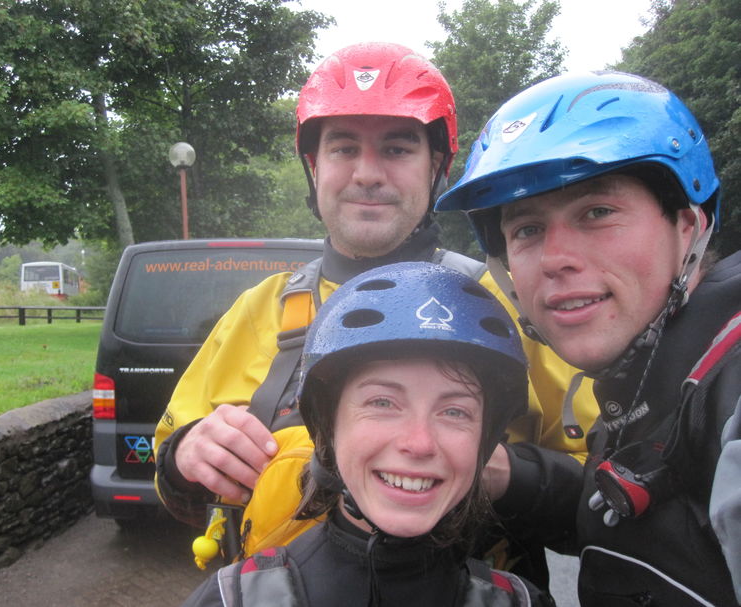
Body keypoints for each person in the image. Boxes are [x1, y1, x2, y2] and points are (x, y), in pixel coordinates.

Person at [154, 42, 597, 585]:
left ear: (437, 168)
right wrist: (186, 456)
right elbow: (171, 469)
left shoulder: (510, 303)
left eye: (396, 148)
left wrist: (507, 474)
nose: (367, 173)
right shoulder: (259, 307)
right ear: (314, 167)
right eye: (344, 148)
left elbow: (608, 493)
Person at [435, 70, 741, 606]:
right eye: (527, 229)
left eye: (598, 212)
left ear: (687, 226)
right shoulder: (646, 386)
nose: (555, 259)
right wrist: (501, 473)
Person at [181, 262, 552, 606]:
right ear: (329, 425)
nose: (419, 443)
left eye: (455, 411)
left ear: (485, 438)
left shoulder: (520, 601)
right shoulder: (232, 599)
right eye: (383, 403)